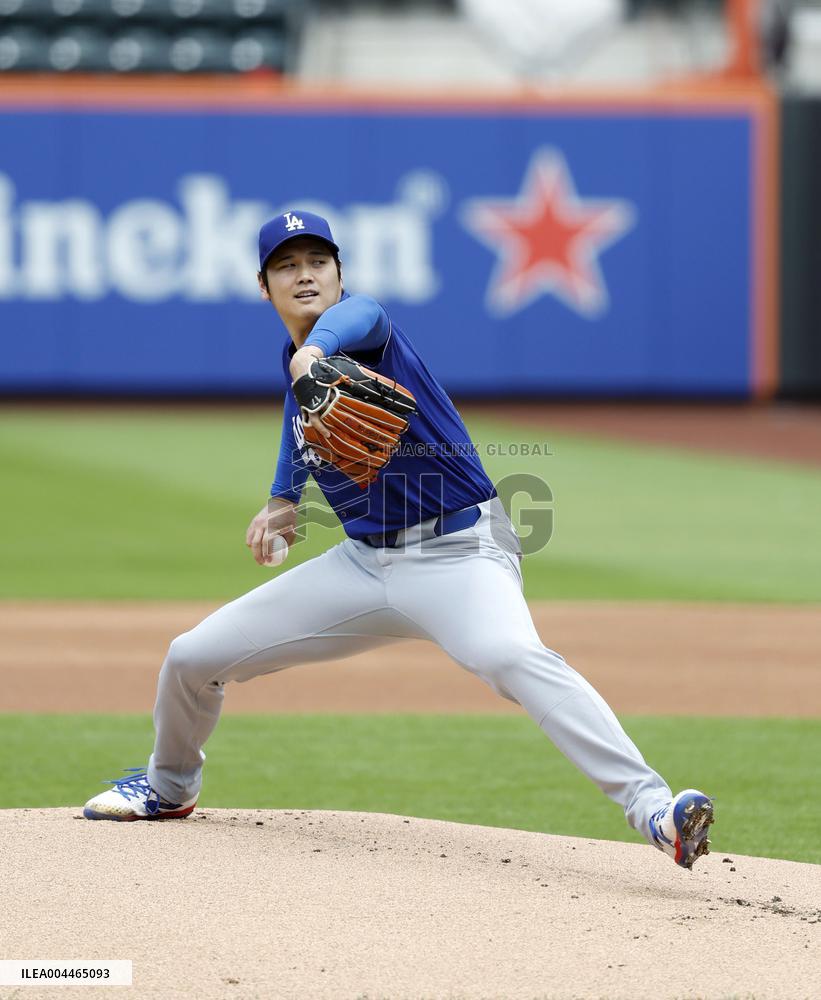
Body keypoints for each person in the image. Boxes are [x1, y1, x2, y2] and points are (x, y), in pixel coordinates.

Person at [83, 210, 714, 870]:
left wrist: (312, 354)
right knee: (191, 657)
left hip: (459, 555)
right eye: (287, 266)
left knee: (512, 657)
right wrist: (283, 497)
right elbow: (299, 410)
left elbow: (358, 320)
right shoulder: (299, 364)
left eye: (318, 262)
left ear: (339, 275)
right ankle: (169, 787)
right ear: (263, 286)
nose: (305, 275)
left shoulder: (363, 328)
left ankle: (654, 810)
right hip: (361, 565)